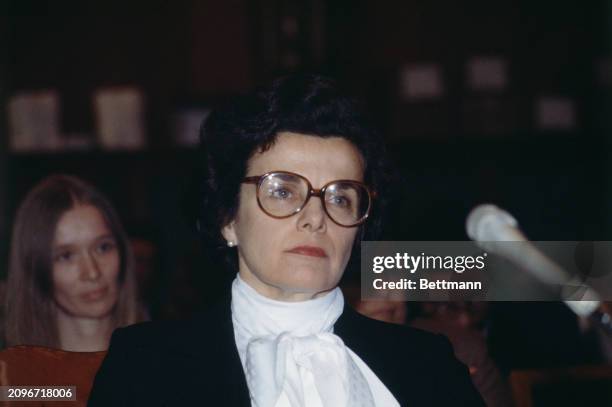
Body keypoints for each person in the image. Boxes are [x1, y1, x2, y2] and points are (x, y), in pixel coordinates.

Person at [88, 74, 485, 406]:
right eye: (282, 190)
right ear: (228, 219)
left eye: (341, 197)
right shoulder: (145, 364)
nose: (315, 217)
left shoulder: (427, 363)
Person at [5, 174, 146, 352]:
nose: (92, 272)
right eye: (66, 256)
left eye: (103, 247)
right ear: (35, 269)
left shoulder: (164, 359)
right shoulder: (13, 374)